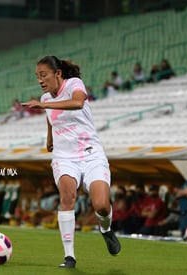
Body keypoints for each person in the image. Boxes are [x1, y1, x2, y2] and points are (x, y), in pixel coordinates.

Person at [22, 55, 121, 268]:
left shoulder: (74, 84)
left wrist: (40, 104)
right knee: (67, 196)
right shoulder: (46, 99)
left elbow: (77, 103)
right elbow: (51, 116)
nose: (40, 80)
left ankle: (106, 229)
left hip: (91, 153)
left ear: (57, 74)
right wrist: (49, 137)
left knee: (102, 206)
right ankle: (69, 256)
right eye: (37, 76)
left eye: (43, 75)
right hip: (64, 157)